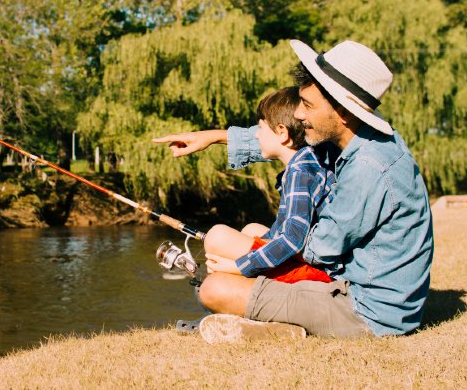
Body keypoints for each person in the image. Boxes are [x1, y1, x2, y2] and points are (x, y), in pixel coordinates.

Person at [153, 39, 434, 339]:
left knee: (215, 288)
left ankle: (279, 329)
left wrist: (242, 265)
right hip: (351, 279)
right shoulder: (356, 138)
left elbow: (317, 250)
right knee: (250, 232)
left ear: (343, 112)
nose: (299, 114)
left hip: (366, 309)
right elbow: (290, 143)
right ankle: (273, 315)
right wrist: (213, 136)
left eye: (308, 106)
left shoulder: (369, 167)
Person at [204, 86, 333, 286]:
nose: (256, 136)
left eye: (260, 128)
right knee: (251, 229)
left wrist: (239, 266)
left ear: (282, 132)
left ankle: (239, 289)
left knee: (216, 237)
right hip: (310, 263)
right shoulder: (308, 161)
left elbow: (293, 240)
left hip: (316, 276)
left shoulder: (300, 173)